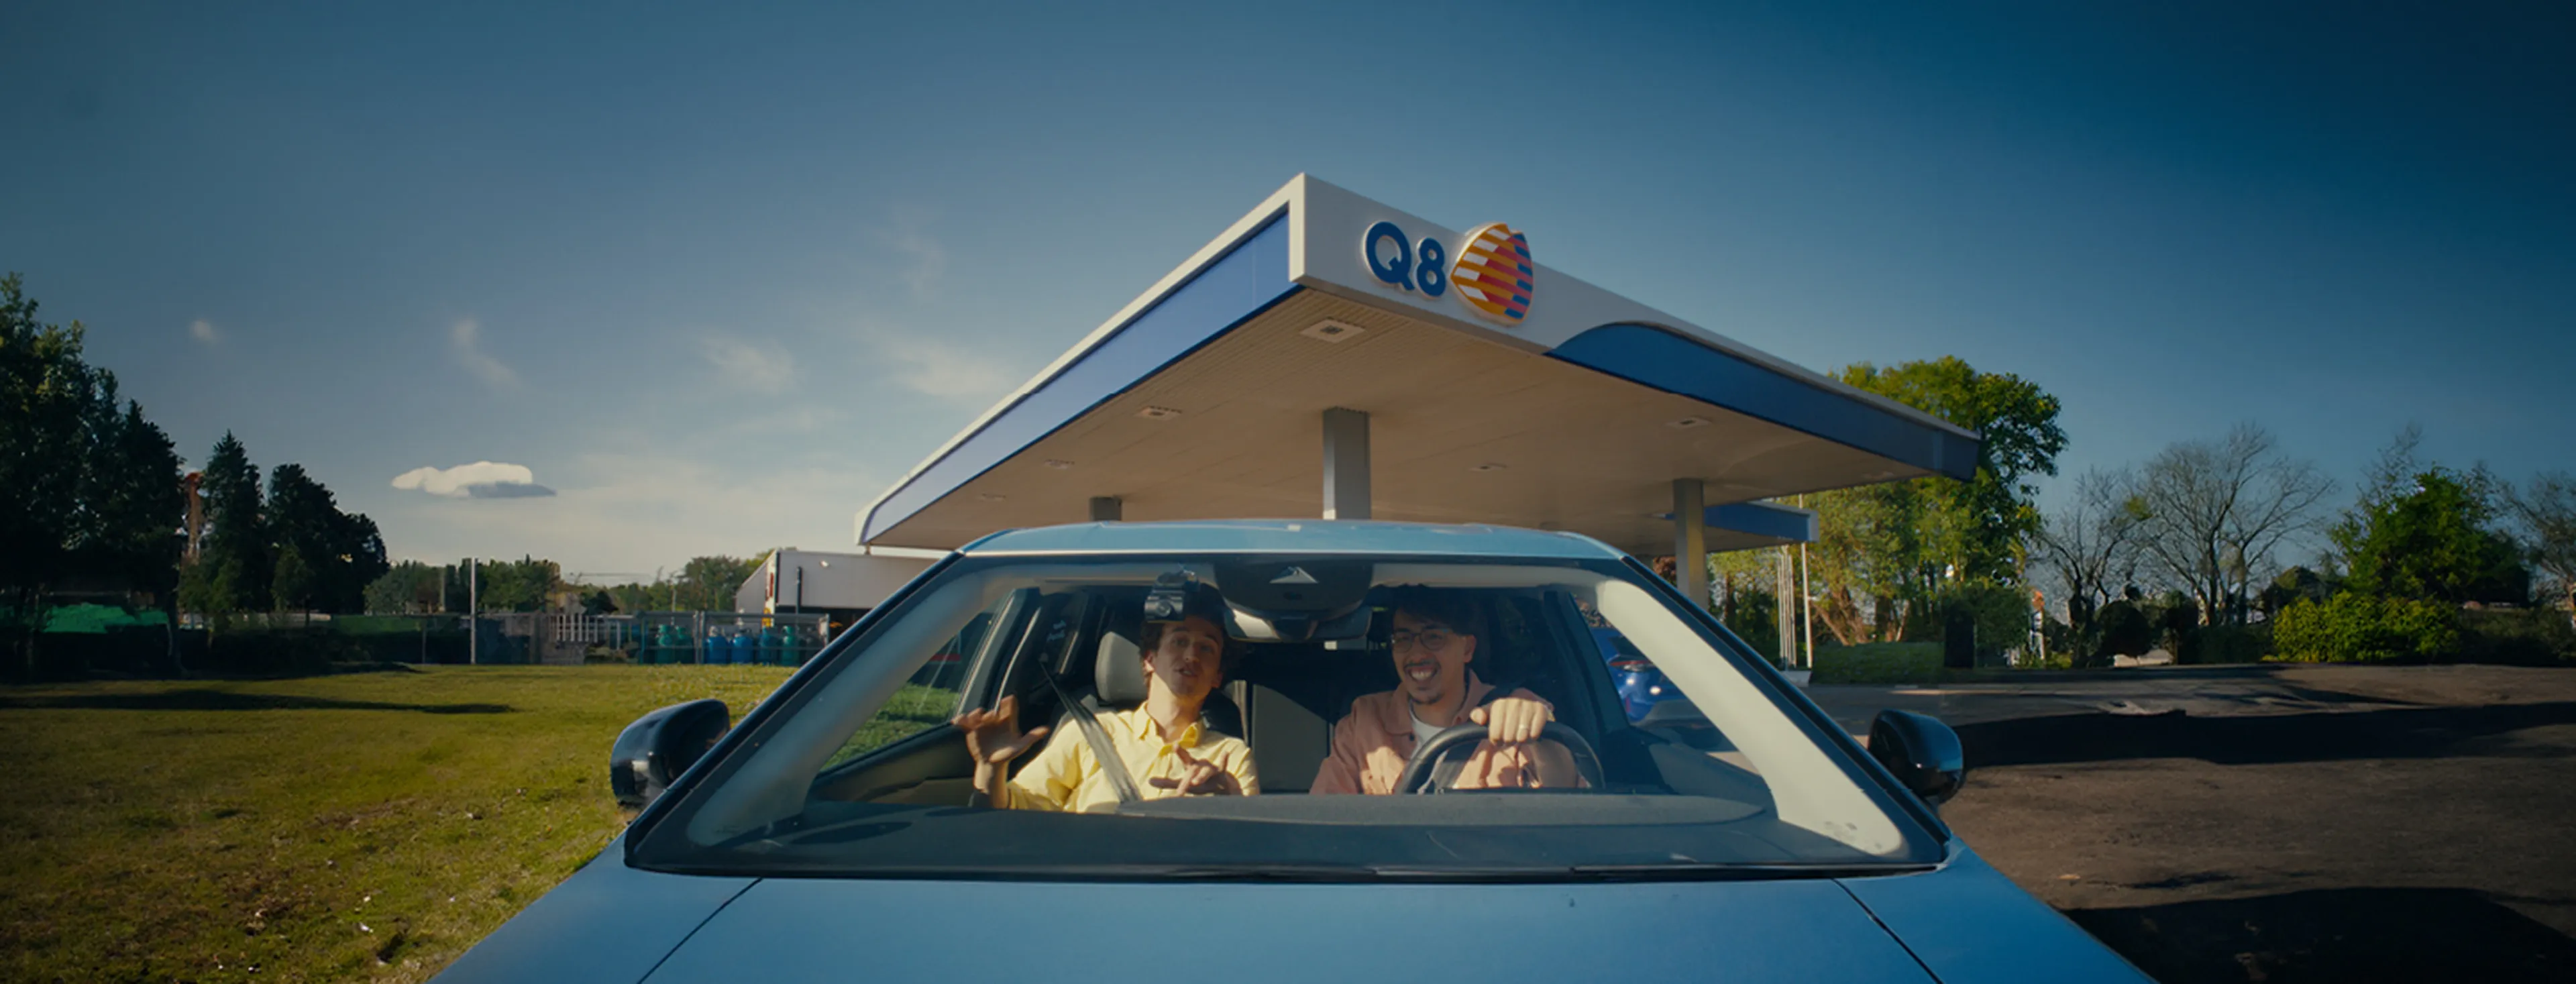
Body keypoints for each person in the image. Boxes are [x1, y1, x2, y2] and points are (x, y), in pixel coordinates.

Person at [951, 589, 1259, 812]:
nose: (1192, 655)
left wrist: (1232, 802)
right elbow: (1010, 816)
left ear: (1217, 677)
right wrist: (991, 769)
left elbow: (1252, 850)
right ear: (1149, 660)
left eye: (1207, 649)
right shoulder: (1089, 734)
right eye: (1179, 642)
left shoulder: (1230, 756)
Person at [1309, 586, 1580, 795]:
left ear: (1467, 649)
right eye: (1403, 639)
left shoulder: (1517, 708)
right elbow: (1325, 813)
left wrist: (1540, 738)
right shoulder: (1364, 719)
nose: (1416, 653)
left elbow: (1567, 796)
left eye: (1434, 637)